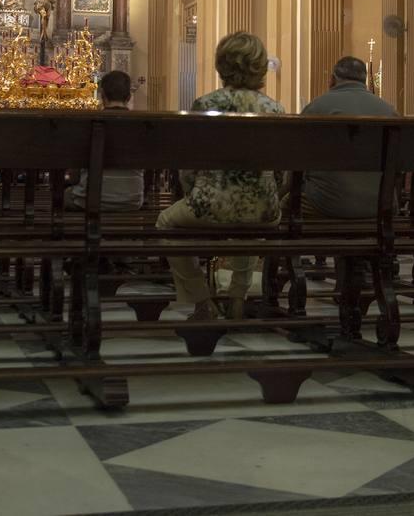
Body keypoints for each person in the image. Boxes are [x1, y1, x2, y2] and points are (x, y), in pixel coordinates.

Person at [156, 32, 284, 320]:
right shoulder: (274, 108)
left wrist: (195, 192)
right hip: (265, 209)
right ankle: (238, 297)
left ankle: (203, 301)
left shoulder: (205, 104)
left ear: (221, 64)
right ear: (260, 65)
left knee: (165, 223)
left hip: (212, 205)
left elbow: (187, 164)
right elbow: (280, 172)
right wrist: (269, 192)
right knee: (249, 221)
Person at [299, 56, 398, 219]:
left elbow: (297, 159)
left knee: (284, 207)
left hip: (326, 205)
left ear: (332, 80)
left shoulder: (316, 108)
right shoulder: (390, 112)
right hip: (381, 204)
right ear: (365, 81)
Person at [66, 70, 145, 211]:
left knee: (65, 195)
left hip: (88, 201)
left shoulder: (88, 123)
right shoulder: (142, 125)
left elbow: (74, 177)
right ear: (128, 97)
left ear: (102, 96)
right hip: (132, 201)